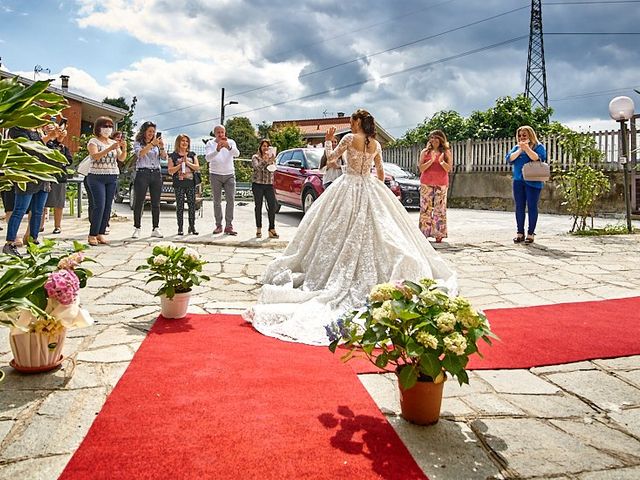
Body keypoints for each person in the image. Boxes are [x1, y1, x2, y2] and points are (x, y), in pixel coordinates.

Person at [243, 109, 457, 346]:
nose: (351, 124)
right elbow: (381, 172)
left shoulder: (347, 139)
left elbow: (331, 160)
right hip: (370, 186)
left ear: (357, 122)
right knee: (377, 230)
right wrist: (380, 192)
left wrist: (327, 141)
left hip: (348, 185)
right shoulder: (376, 143)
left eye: (352, 121)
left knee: (333, 230)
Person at [3, 125, 59, 256]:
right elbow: (29, 149)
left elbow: (48, 150)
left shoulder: (39, 131)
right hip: (26, 175)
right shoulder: (16, 130)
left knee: (38, 211)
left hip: (43, 175)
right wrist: (48, 137)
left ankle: (33, 241)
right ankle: (9, 243)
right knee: (19, 210)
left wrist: (56, 137)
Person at [86, 116, 126, 246]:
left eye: (110, 126)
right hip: (96, 176)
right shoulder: (93, 141)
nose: (108, 129)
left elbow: (121, 158)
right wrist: (110, 148)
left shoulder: (112, 142)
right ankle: (92, 234)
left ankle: (101, 232)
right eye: (105, 126)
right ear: (98, 128)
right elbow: (95, 156)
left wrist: (123, 148)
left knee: (108, 206)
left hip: (112, 176)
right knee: (99, 205)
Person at [506, 126, 547, 244]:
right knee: (519, 207)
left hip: (533, 181)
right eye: (520, 135)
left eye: (524, 135)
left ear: (530, 135)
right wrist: (520, 149)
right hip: (518, 180)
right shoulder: (516, 148)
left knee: (532, 206)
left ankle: (531, 233)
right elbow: (509, 159)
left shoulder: (539, 147)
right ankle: (520, 233)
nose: (522, 137)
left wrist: (527, 149)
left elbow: (537, 158)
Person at [132, 121, 167, 238]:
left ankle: (155, 228)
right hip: (143, 173)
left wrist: (161, 147)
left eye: (153, 132)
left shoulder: (156, 144)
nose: (151, 134)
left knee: (156, 202)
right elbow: (140, 154)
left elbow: (164, 157)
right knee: (139, 201)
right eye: (149, 131)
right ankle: (137, 227)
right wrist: (152, 144)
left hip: (156, 173)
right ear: (144, 132)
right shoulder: (138, 143)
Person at [418, 130, 453, 243]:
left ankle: (439, 234)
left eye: (436, 138)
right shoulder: (425, 152)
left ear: (441, 139)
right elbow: (421, 168)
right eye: (431, 138)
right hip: (426, 183)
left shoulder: (446, 152)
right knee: (425, 208)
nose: (433, 140)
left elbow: (449, 169)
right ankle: (424, 233)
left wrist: (441, 162)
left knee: (440, 209)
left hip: (441, 183)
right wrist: (431, 161)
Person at [204, 125, 240, 235]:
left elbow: (237, 154)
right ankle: (218, 225)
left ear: (225, 133)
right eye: (218, 132)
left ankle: (229, 226)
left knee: (231, 200)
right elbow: (207, 158)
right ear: (214, 133)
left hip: (229, 174)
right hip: (215, 174)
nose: (221, 134)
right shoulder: (210, 143)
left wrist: (228, 147)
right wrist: (217, 150)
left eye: (222, 132)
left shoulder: (231, 142)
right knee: (217, 201)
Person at [43, 120, 73, 235]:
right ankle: (40, 226)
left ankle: (58, 226)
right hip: (45, 176)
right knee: (42, 204)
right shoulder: (43, 143)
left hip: (59, 177)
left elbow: (69, 160)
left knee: (58, 204)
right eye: (49, 128)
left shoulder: (63, 147)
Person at [168, 134, 200, 235]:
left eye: (186, 141)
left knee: (191, 205)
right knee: (180, 206)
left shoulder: (192, 154)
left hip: (190, 183)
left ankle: (192, 226)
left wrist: (187, 163)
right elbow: (170, 170)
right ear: (178, 142)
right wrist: (180, 164)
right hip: (179, 184)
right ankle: (180, 228)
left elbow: (197, 167)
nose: (185, 143)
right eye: (182, 141)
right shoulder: (173, 156)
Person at [251, 139, 279, 239]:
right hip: (257, 184)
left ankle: (272, 228)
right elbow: (257, 168)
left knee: (272, 206)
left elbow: (273, 170)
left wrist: (271, 162)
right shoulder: (255, 157)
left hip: (268, 185)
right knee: (258, 206)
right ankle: (258, 228)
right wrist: (265, 161)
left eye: (267, 146)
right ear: (260, 147)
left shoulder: (272, 158)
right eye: (264, 146)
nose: (265, 148)